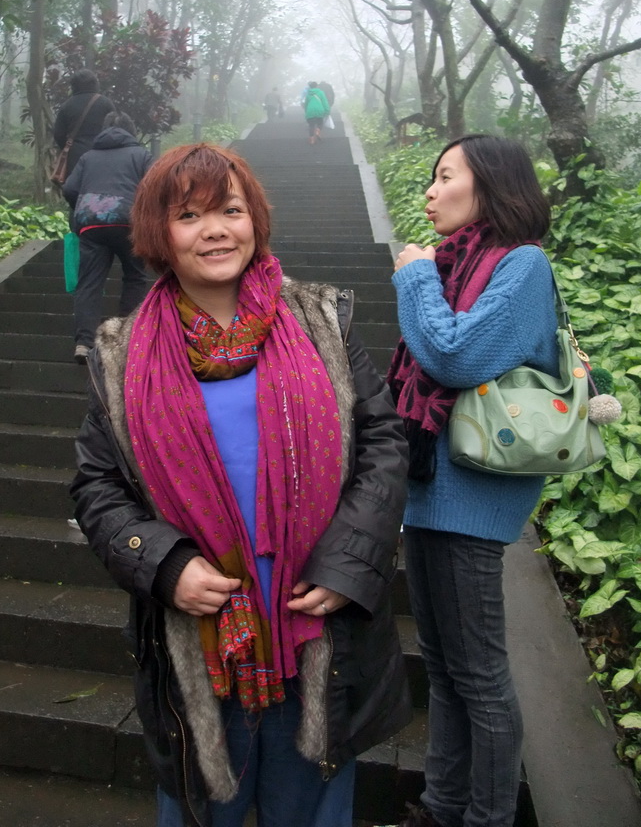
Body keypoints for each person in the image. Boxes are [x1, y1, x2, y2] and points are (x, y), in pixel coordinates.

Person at [70, 143, 411, 827]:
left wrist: (348, 561)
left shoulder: (322, 323)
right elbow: (97, 486)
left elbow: (384, 442)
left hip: (316, 627)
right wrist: (163, 563)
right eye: (190, 215)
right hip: (199, 638)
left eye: (230, 209)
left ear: (255, 217)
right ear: (159, 233)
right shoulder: (122, 355)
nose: (216, 229)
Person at [387, 134, 557, 827]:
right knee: (447, 671)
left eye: (444, 176)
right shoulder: (457, 265)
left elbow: (455, 355)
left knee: (480, 678)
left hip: (475, 493)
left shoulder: (522, 266)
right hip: (430, 485)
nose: (429, 190)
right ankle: (441, 806)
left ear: (487, 185)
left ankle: (485, 820)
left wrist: (414, 277)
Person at [61, 111, 152, 364]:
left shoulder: (88, 156)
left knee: (88, 282)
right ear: (131, 130)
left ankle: (84, 342)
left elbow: (69, 188)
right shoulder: (141, 155)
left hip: (91, 225)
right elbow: (156, 186)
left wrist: (86, 206)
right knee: (134, 277)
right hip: (129, 223)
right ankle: (123, 339)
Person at [52, 69, 115, 181]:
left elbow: (58, 134)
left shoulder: (67, 106)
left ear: (73, 86)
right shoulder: (106, 103)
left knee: (76, 191)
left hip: (75, 158)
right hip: (101, 156)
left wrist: (70, 147)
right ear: (95, 84)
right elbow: (114, 130)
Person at [302, 81, 330, 145]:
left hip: (310, 111)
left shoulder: (308, 94)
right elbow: (324, 102)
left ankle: (312, 140)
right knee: (320, 123)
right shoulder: (321, 92)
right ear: (317, 86)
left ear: (310, 86)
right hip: (319, 110)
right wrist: (327, 111)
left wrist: (306, 112)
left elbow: (306, 104)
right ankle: (318, 130)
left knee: (311, 126)